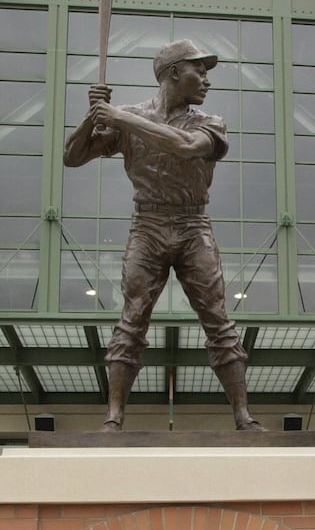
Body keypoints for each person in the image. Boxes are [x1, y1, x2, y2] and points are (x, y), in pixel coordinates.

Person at [64, 39, 263, 432]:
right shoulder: (127, 117)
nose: (206, 80)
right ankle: (113, 417)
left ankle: (243, 416)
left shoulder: (209, 123)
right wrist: (93, 115)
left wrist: (118, 117)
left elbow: (186, 147)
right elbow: (72, 156)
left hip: (193, 226)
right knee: (131, 319)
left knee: (218, 320)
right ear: (174, 73)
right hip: (148, 226)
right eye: (198, 70)